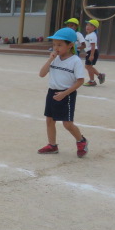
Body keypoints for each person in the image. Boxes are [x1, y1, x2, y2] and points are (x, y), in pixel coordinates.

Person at [37, 27, 88, 157]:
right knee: (49, 120)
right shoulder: (55, 58)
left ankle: (81, 141)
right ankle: (52, 145)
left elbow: (80, 81)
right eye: (54, 44)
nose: (56, 48)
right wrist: (50, 60)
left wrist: (64, 94)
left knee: (67, 123)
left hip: (67, 94)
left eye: (59, 45)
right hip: (52, 92)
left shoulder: (75, 61)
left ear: (70, 45)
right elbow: (41, 74)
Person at [83, 19, 105, 86]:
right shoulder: (89, 35)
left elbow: (93, 46)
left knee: (88, 66)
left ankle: (94, 79)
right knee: (89, 66)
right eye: (87, 25)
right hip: (89, 52)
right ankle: (97, 77)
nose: (87, 27)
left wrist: (91, 55)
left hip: (92, 52)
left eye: (90, 25)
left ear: (94, 28)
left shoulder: (92, 35)